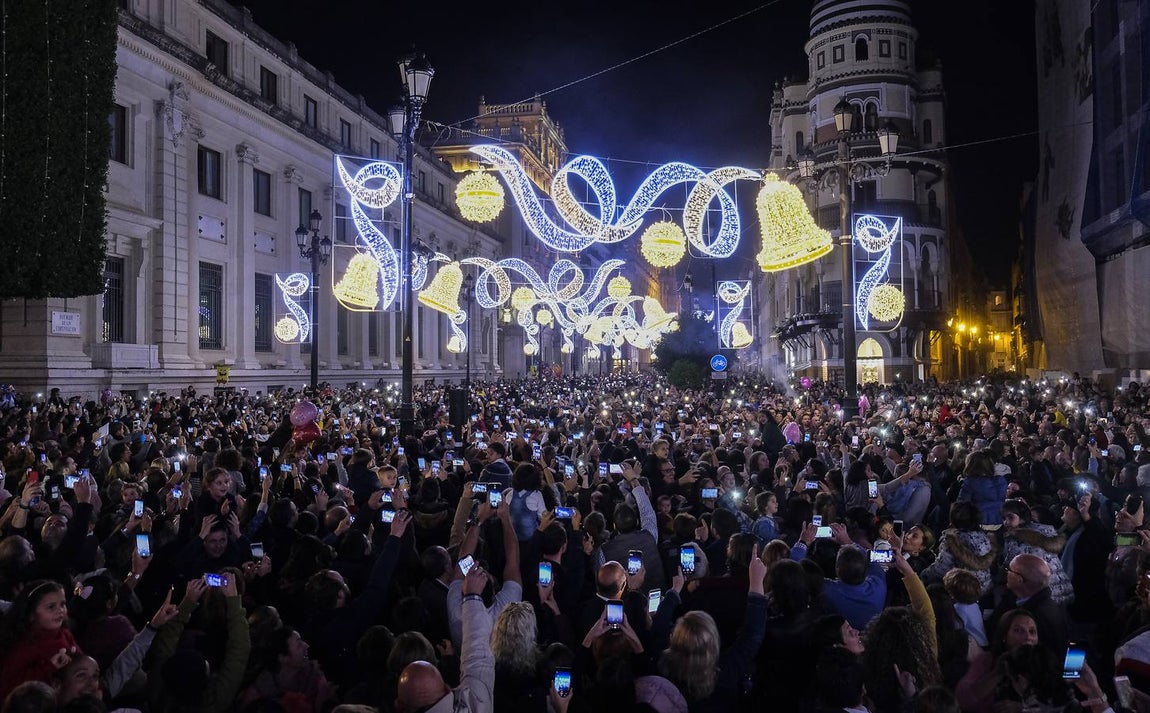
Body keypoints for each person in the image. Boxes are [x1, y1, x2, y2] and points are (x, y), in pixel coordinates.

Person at [395, 562, 494, 713]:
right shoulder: (476, 705)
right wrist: (472, 596)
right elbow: (477, 659)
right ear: (448, 690)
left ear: (399, 706)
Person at [0, 580, 80, 701]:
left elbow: (80, 660)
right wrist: (48, 667)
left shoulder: (65, 635)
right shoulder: (23, 645)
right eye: (51, 607)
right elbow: (9, 688)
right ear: (31, 614)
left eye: (63, 604)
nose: (60, 610)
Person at [1000, 498, 1073, 605]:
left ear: (1023, 519)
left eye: (1010, 517)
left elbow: (1011, 567)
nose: (1006, 522)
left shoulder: (1021, 540)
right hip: (1060, 591)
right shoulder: (1044, 532)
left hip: (1044, 595)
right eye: (1003, 518)